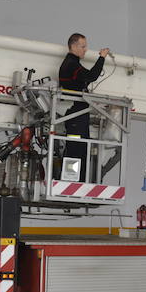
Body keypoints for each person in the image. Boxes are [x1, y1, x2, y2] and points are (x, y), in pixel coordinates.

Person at [58, 33, 110, 182]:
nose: (85, 50)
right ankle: (71, 181)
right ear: (73, 46)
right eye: (83, 46)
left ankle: (77, 180)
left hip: (78, 115)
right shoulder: (71, 64)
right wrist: (102, 57)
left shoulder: (72, 64)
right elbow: (91, 76)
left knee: (80, 148)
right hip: (75, 115)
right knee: (75, 148)